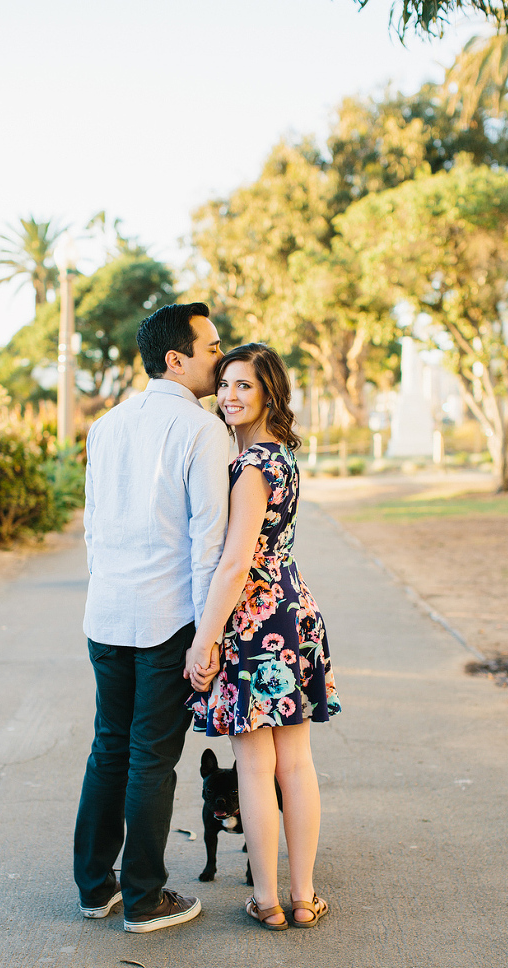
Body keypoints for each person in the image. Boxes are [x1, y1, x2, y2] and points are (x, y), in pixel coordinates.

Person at [74, 301, 230, 933]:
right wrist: (207, 636)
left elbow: (90, 528)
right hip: (168, 619)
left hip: (106, 614)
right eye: (212, 348)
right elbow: (208, 542)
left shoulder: (106, 427)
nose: (220, 358)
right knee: (150, 759)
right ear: (178, 359)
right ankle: (144, 899)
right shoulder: (203, 430)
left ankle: (94, 888)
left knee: (108, 748)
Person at [185, 342, 340, 931]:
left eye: (243, 385)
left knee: (255, 766)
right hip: (292, 609)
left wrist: (205, 639)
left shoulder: (250, 467)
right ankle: (304, 898)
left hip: (254, 621)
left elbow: (234, 563)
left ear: (270, 391)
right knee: (296, 763)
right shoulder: (283, 460)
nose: (228, 395)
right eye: (223, 383)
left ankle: (269, 900)